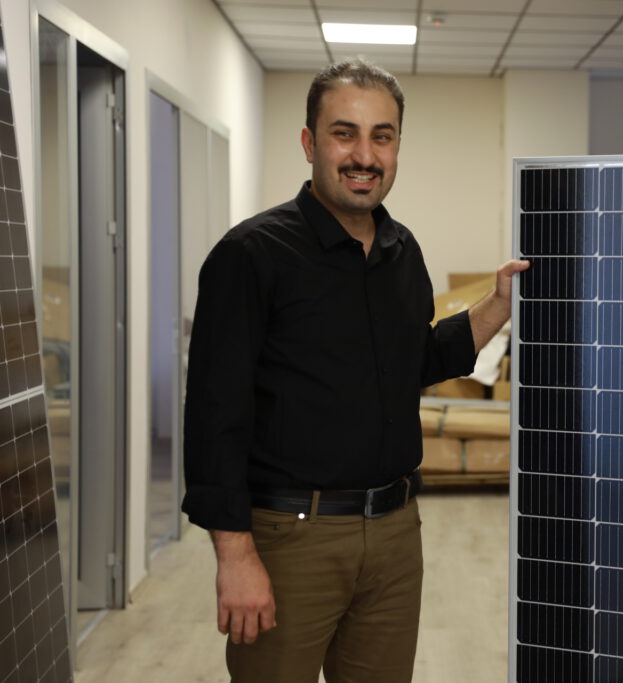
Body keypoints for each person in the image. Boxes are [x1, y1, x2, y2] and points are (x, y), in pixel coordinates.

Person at [181, 58, 528, 683]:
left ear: (396, 147)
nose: (364, 155)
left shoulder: (401, 251)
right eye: (344, 134)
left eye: (381, 136)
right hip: (290, 539)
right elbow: (215, 417)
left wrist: (497, 306)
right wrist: (235, 557)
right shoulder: (250, 255)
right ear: (310, 142)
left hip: (395, 536)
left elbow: (415, 362)